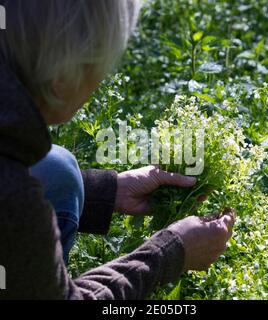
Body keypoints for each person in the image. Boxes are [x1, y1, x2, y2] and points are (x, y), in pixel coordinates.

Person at [0, 0, 235, 300]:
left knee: (58, 170)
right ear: (62, 77)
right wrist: (170, 252)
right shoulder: (11, 202)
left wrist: (108, 192)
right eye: (103, 65)